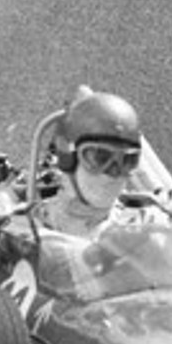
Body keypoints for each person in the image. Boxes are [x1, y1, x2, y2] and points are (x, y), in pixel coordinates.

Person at [35, 86, 145, 238]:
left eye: (127, 160)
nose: (113, 173)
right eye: (101, 157)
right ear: (69, 157)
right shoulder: (27, 224)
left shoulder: (143, 230)